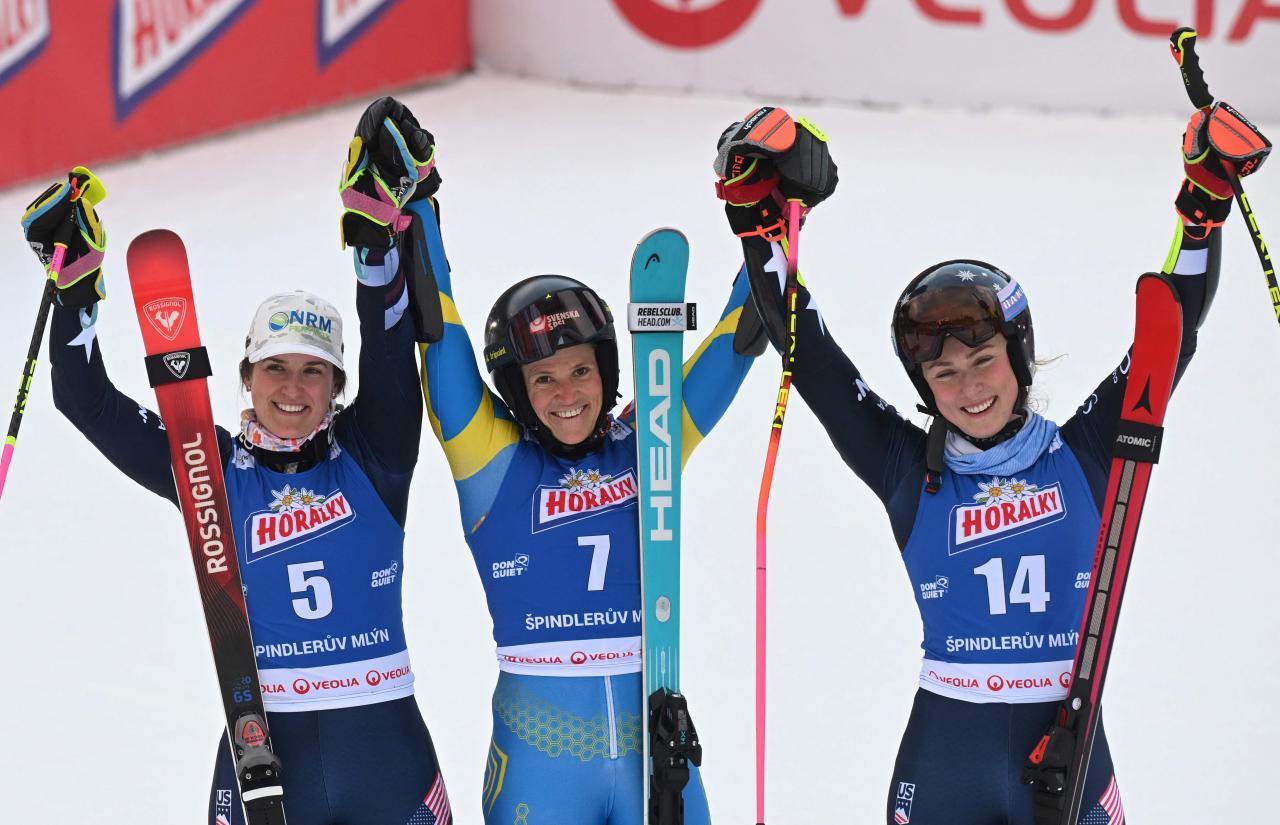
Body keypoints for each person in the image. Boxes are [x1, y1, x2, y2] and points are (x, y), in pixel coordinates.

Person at [711, 104, 1269, 824]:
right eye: (944, 375)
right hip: (947, 757)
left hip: (1066, 747)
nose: (970, 388)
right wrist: (763, 224)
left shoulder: (1088, 451)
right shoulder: (905, 467)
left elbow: (1172, 332)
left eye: (983, 360)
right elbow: (810, 356)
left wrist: (1204, 204)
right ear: (924, 388)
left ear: (1019, 355)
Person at [346, 97, 767, 824]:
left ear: (610, 369)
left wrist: (768, 224)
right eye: (542, 379)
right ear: (516, 390)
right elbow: (439, 330)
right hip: (541, 765)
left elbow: (738, 338)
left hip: (654, 755)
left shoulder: (652, 439)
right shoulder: (493, 460)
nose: (566, 394)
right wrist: (424, 204)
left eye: (581, 370)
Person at [29, 104, 452, 825]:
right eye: (276, 368)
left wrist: (376, 241)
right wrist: (75, 296)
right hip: (264, 756)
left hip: (386, 757)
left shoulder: (376, 452)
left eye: (314, 373)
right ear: (247, 376)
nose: (293, 388)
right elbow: (88, 404)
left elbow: (391, 337)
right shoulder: (207, 466)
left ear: (338, 387)